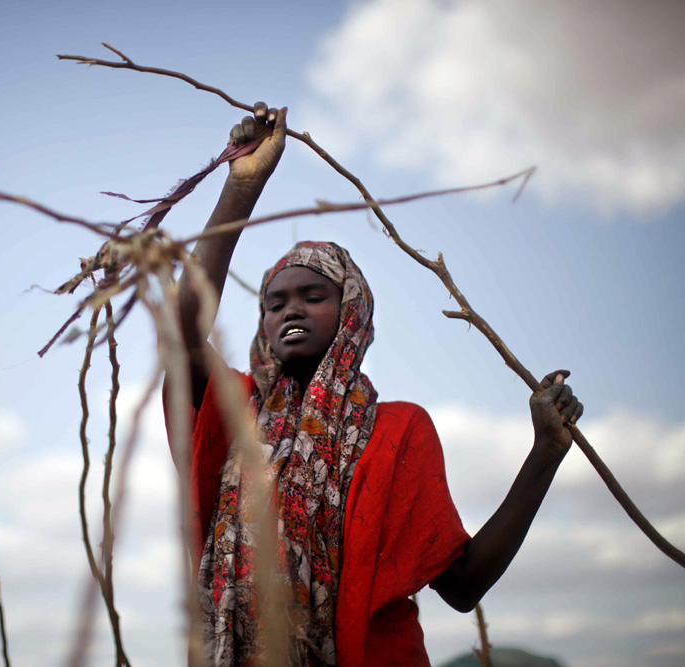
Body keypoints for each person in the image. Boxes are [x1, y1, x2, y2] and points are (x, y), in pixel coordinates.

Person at [165, 103, 584, 666]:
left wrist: (546, 454)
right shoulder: (234, 411)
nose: (292, 310)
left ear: (352, 313)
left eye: (314, 296)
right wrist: (242, 187)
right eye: (275, 303)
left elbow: (461, 586)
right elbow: (184, 329)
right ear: (261, 322)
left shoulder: (398, 430)